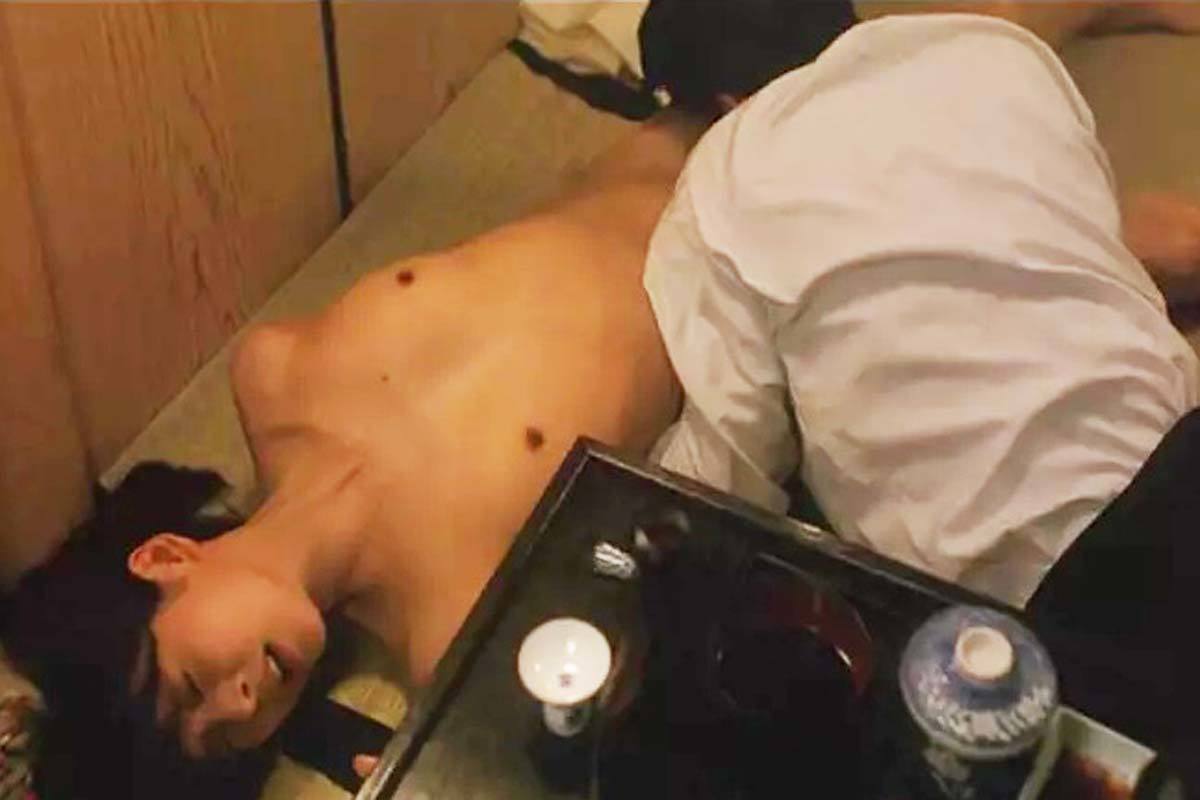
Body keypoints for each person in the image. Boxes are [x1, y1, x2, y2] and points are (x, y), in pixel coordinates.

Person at [0, 2, 860, 795]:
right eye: (227, 740)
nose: (242, 704)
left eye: (191, 686)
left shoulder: (272, 372)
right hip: (789, 221)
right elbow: (618, 692)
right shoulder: (451, 625)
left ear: (164, 558)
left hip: (699, 99)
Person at [646, 1, 1200, 609]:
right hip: (1177, 449)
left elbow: (726, 473)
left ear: (721, 103)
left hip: (1039, 585)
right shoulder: (995, 52)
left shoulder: (724, 175)